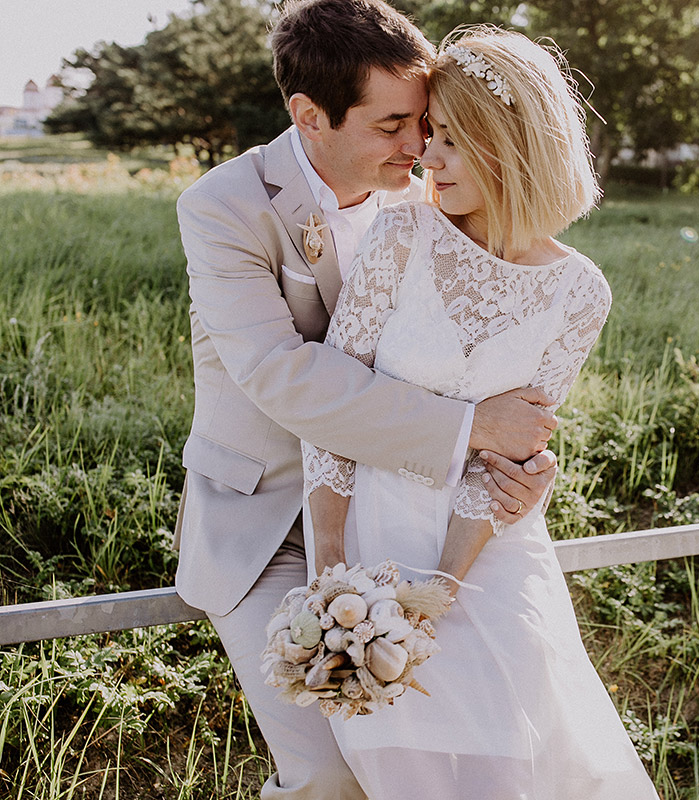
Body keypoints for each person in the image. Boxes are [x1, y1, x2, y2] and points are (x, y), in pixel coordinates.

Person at [173, 1, 559, 797]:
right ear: (310, 117)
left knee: (444, 761)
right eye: (392, 127)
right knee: (330, 774)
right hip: (267, 528)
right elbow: (282, 374)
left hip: (408, 522)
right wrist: (471, 429)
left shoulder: (430, 205)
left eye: (424, 123)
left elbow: (497, 359)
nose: (418, 147)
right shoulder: (223, 207)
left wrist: (524, 456)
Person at [301, 26, 659, 800]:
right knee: (400, 774)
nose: (426, 159)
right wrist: (332, 574)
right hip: (372, 551)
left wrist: (438, 596)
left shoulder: (580, 293)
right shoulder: (401, 235)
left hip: (487, 559)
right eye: (430, 135)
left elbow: (510, 462)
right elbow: (334, 407)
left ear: (515, 147)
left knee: (510, 768)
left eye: (453, 142)